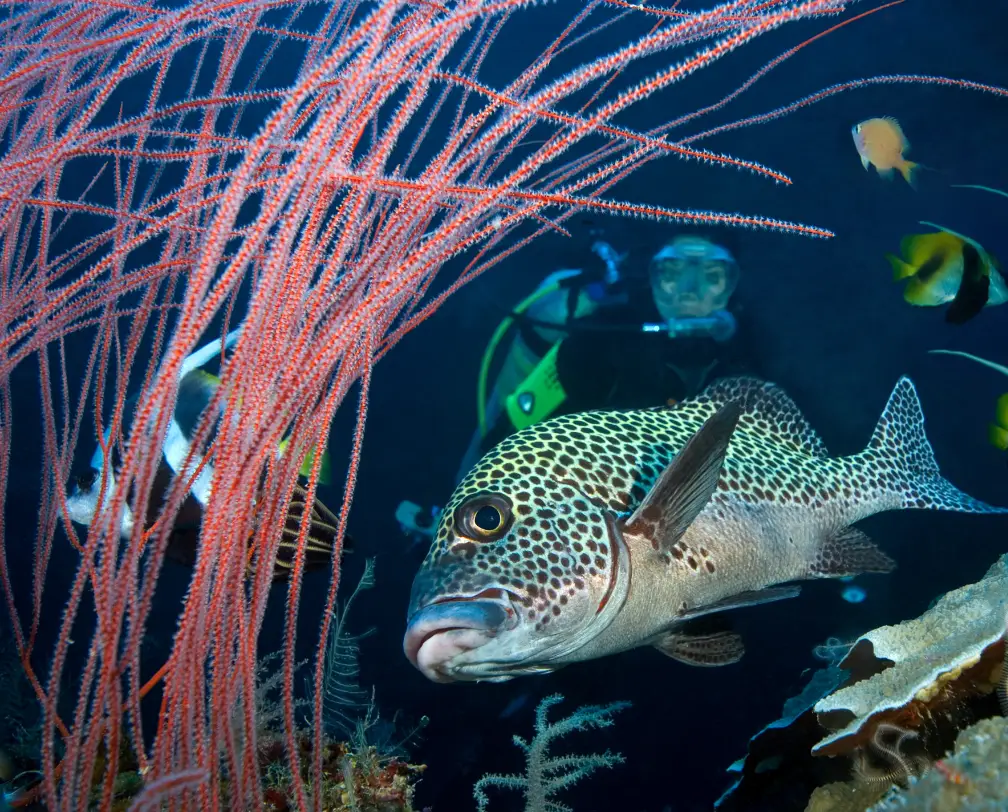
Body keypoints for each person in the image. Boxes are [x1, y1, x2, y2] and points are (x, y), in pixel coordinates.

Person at [395, 232, 756, 541]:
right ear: (650, 276)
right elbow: (505, 441)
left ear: (734, 285)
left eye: (712, 275)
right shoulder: (591, 346)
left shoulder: (755, 357)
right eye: (672, 273)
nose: (690, 293)